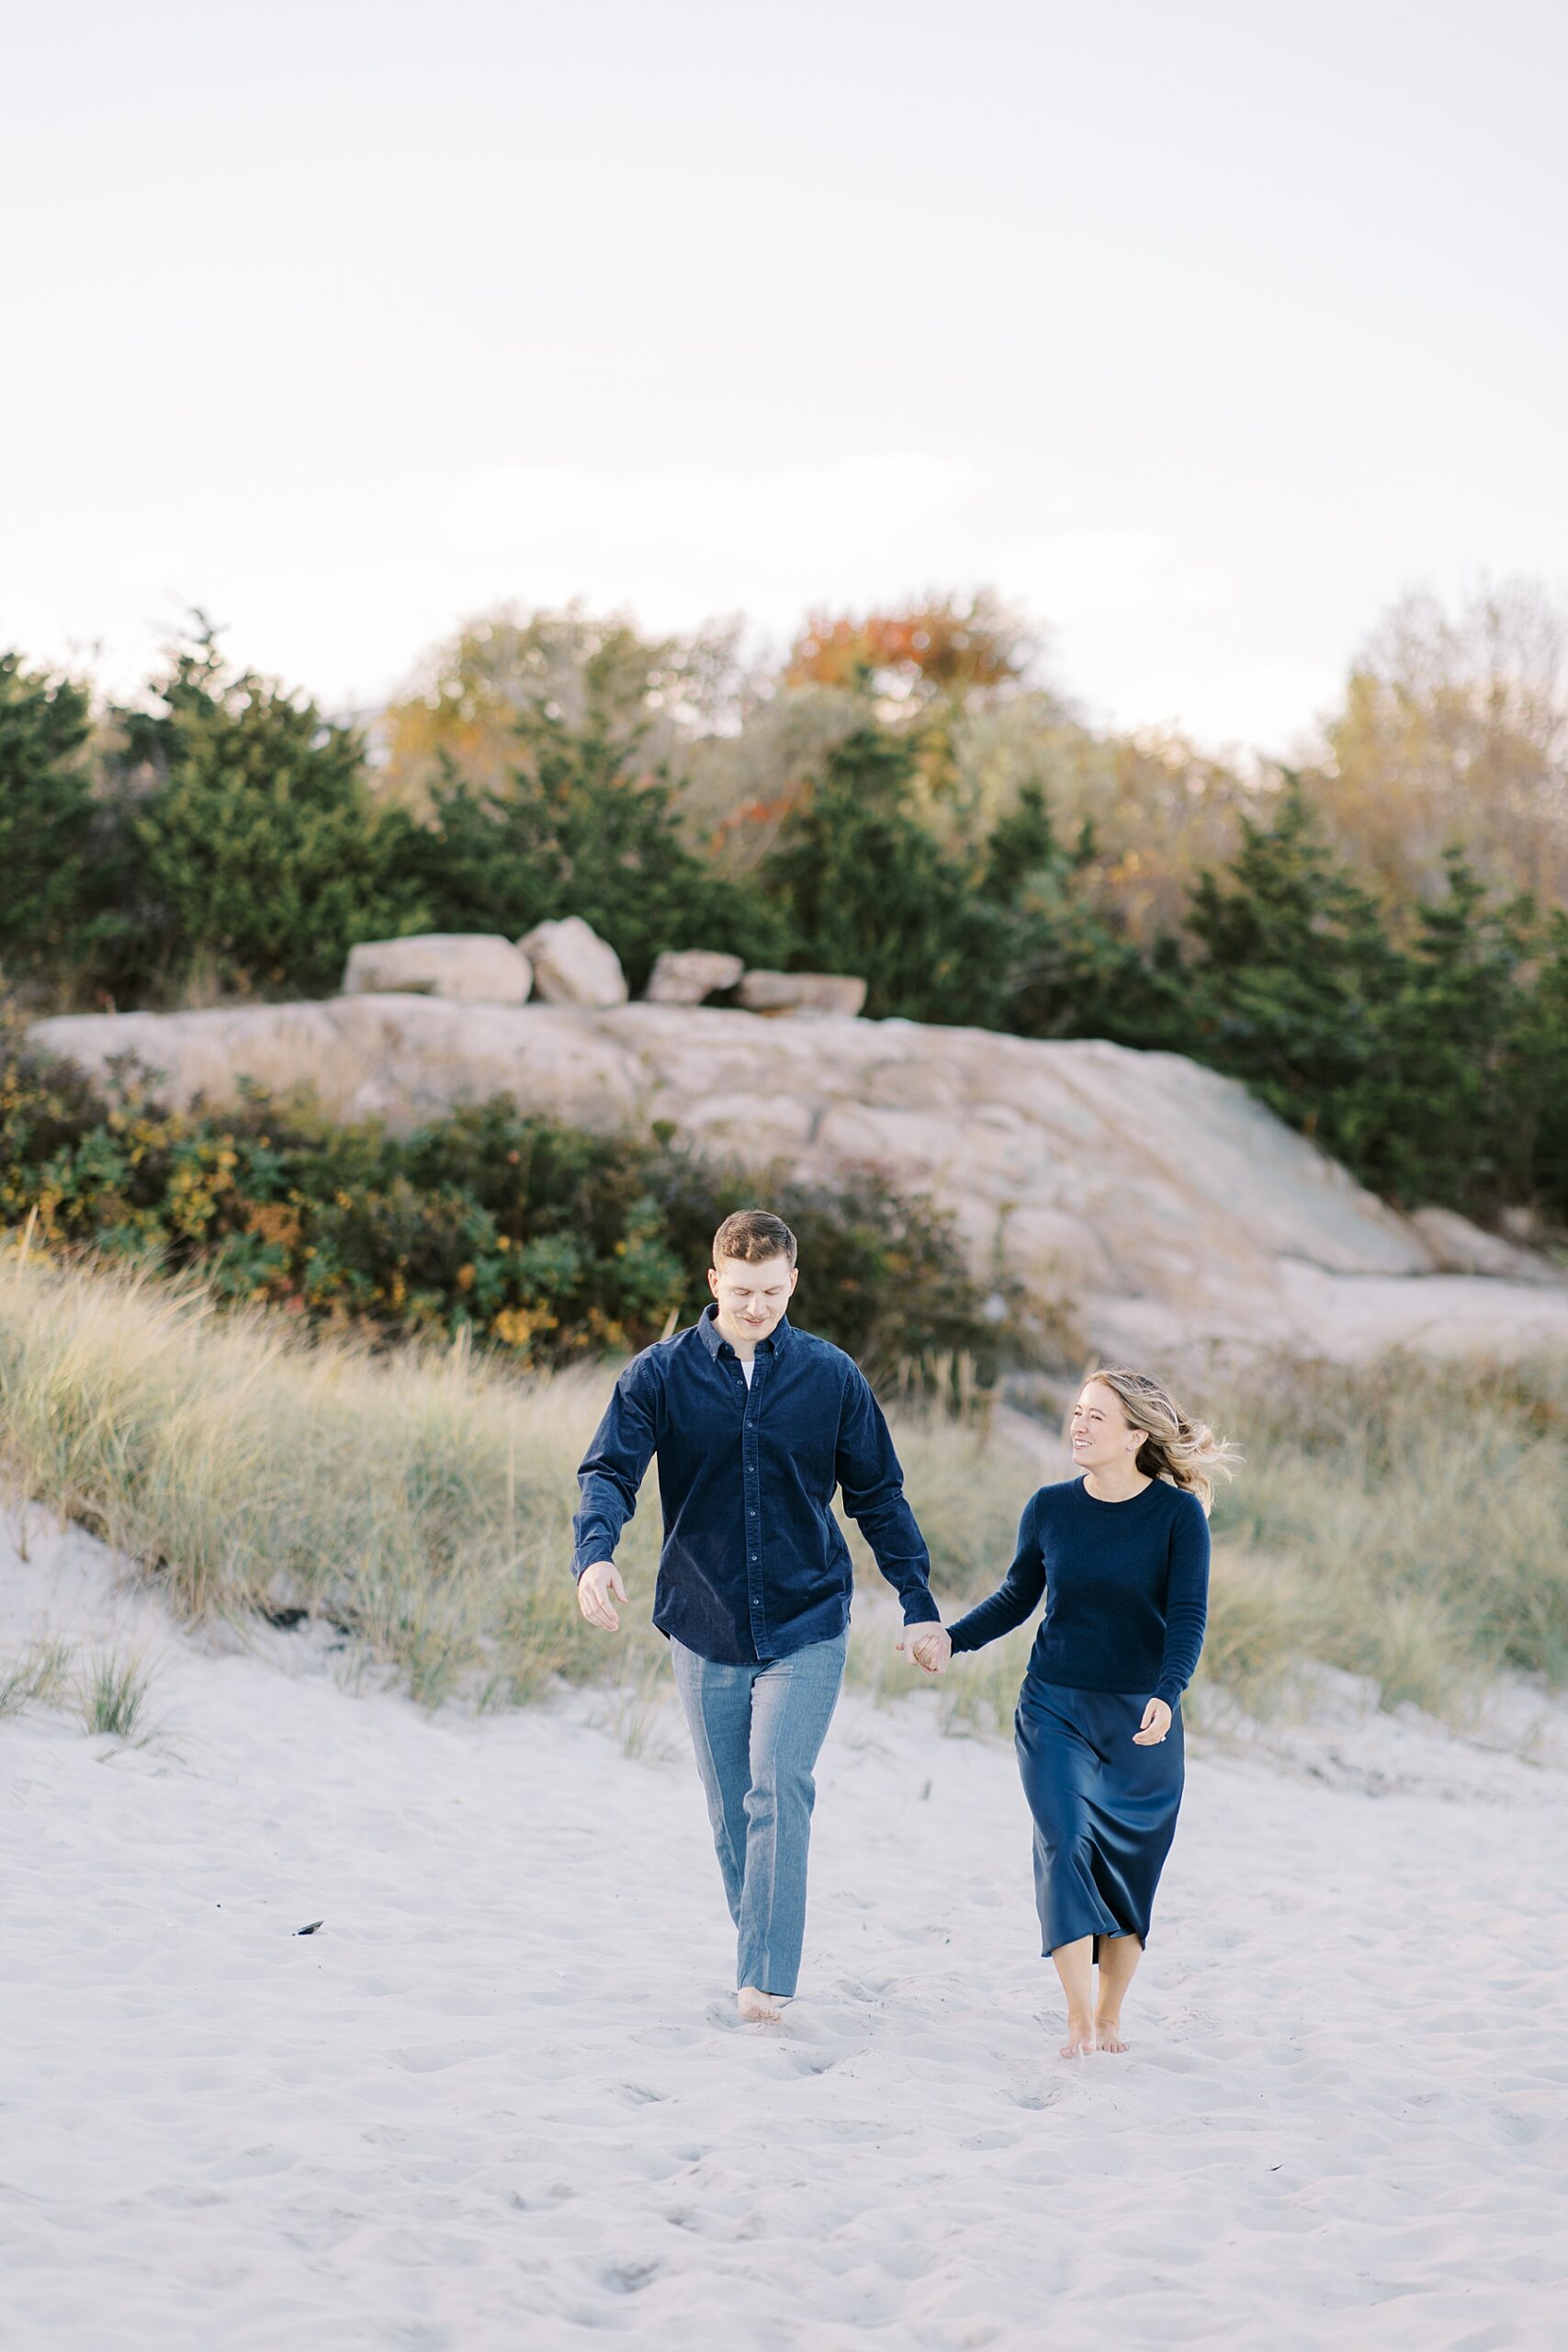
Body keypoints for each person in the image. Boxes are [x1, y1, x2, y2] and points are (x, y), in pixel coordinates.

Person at [573, 1208, 946, 2023]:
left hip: (806, 1615)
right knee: (730, 1804)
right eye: (741, 1292)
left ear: (793, 1283)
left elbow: (878, 1497)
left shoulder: (832, 1377)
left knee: (780, 1784)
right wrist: (596, 1552)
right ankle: (761, 1946)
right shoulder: (658, 1374)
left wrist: (918, 1603)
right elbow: (609, 1471)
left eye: (771, 1292)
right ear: (713, 1282)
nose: (755, 1307)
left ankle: (763, 1987)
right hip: (701, 1616)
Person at [911, 1367, 1236, 2057]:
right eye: (1077, 1413)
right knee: (1063, 1846)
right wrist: (952, 1638)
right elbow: (1015, 1596)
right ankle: (1077, 2016)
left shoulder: (1177, 1517)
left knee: (1128, 1864)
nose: (1078, 1426)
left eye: (1096, 1417)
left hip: (1139, 1715)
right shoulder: (1050, 1507)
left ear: (1134, 1436)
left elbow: (1186, 1619)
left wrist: (1166, 1693)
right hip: (1053, 1704)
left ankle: (1112, 2015)